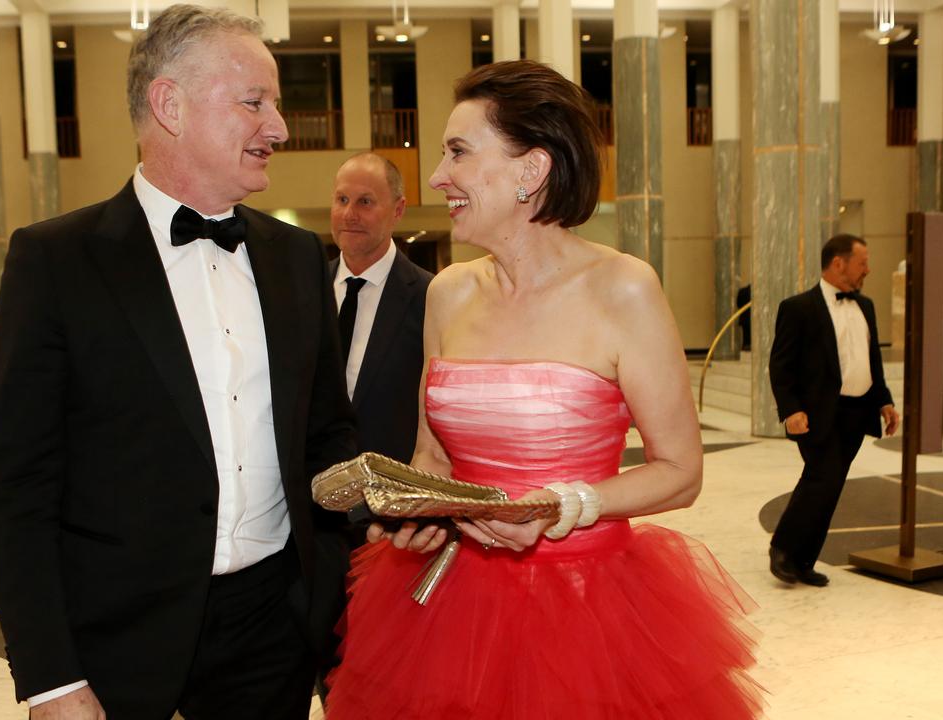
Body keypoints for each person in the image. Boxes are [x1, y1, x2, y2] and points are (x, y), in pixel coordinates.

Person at [323, 61, 760, 720]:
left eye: (459, 153)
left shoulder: (624, 289)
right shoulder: (448, 293)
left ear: (532, 170)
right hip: (451, 609)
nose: (438, 176)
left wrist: (562, 505)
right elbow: (432, 459)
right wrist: (421, 518)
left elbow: (680, 472)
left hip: (590, 607)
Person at [0, 6, 356, 720]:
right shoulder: (56, 261)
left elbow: (327, 436)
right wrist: (50, 678)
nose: (278, 126)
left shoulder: (298, 258)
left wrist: (374, 525)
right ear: (169, 105)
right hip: (115, 639)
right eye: (254, 102)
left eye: (275, 103)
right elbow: (19, 488)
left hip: (274, 630)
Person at [768, 234, 898, 587]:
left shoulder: (866, 306)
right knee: (820, 479)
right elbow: (781, 366)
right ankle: (782, 549)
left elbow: (871, 360)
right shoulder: (798, 308)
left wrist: (884, 399)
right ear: (838, 263)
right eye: (862, 263)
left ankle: (803, 560)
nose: (868, 269)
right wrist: (790, 409)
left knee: (832, 484)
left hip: (857, 413)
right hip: (819, 413)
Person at [330, 152, 433, 463]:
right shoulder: (304, 288)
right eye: (342, 199)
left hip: (393, 490)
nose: (349, 214)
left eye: (365, 202)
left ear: (398, 210)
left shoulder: (430, 296)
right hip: (312, 491)